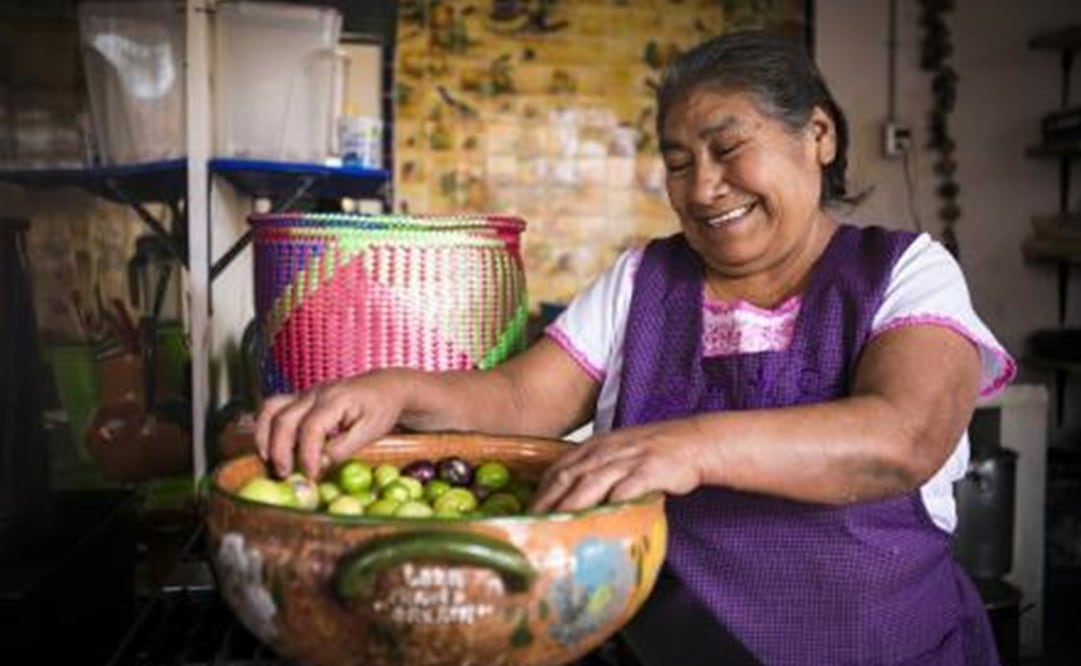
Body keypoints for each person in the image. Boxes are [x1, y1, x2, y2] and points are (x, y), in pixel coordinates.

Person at [255, 30, 1015, 665]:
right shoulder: (642, 279)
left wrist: (691, 447)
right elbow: (520, 400)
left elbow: (903, 435)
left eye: (728, 149)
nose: (703, 188)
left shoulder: (902, 271)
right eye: (679, 164)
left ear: (818, 135)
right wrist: (395, 390)